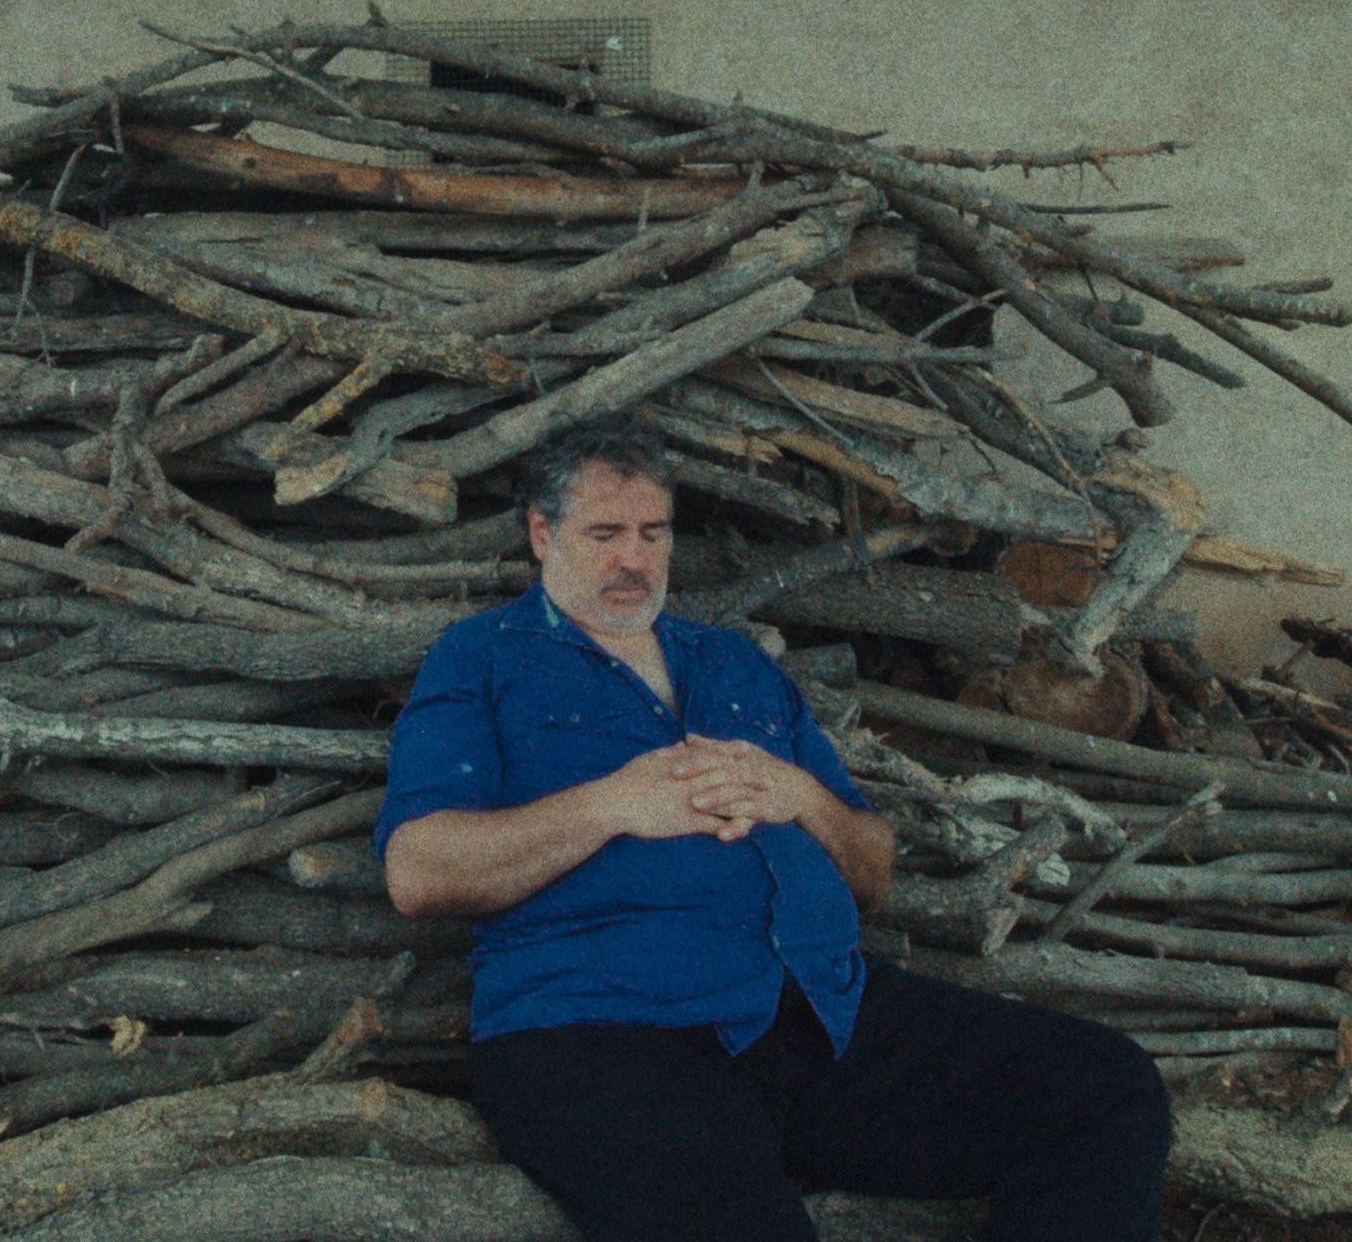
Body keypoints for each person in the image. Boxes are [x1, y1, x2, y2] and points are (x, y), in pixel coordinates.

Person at [377, 418, 1170, 1242]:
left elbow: (873, 873)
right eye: (605, 534)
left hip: (817, 1013)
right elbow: (418, 871)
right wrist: (611, 804)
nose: (634, 560)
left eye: (653, 534)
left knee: (1102, 1087)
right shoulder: (482, 658)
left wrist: (804, 798)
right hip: (604, 1038)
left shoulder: (735, 666)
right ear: (543, 534)